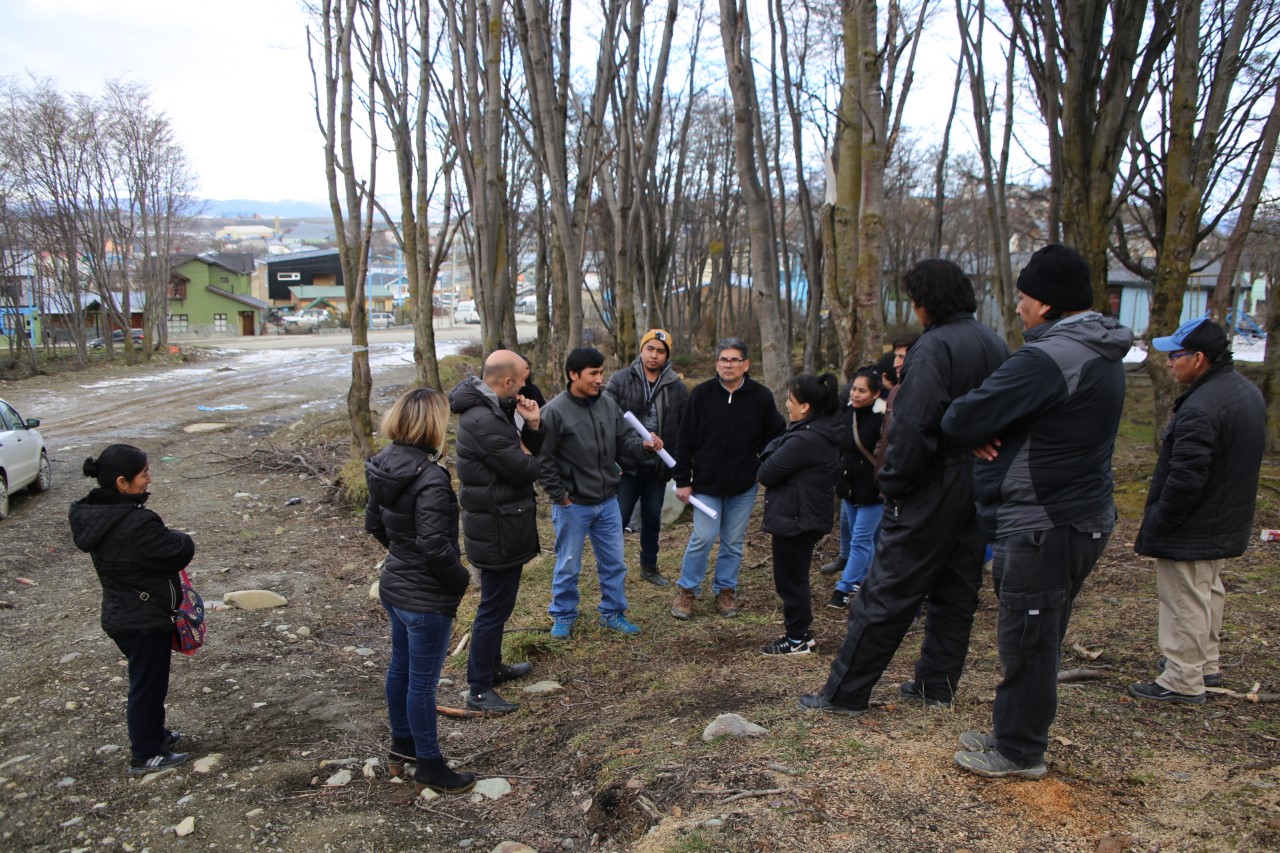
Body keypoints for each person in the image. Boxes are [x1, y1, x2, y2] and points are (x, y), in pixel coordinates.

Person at [940, 244, 1133, 779]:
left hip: (1045, 521)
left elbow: (962, 418)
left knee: (1028, 636)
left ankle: (1020, 751)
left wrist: (985, 428)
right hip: (1075, 514)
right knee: (1039, 631)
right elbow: (1045, 420)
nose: (1018, 307)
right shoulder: (1096, 348)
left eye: (1024, 298)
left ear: (1047, 304)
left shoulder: (1050, 357)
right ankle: (1013, 731)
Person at [799, 259, 1009, 716]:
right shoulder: (994, 342)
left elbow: (914, 425)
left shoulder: (932, 349)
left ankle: (844, 694)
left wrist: (893, 482)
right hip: (977, 484)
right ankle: (937, 686)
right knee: (957, 590)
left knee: (886, 590)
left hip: (931, 485)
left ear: (925, 302)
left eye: (914, 300)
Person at [1129, 317, 1266, 704]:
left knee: (1183, 597)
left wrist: (1162, 520)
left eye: (1176, 355)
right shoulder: (1244, 392)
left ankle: (1181, 678)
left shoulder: (1200, 408)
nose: (1169, 363)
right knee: (1207, 590)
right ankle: (1203, 662)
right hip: (1224, 517)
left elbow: (1186, 478)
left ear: (1199, 358)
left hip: (1195, 522)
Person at [365, 387, 476, 796]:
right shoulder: (429, 476)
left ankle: (404, 745)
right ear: (432, 423)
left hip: (396, 586)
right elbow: (433, 546)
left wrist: (403, 555)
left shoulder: (384, 462)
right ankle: (429, 763)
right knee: (421, 683)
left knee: (401, 669)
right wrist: (459, 580)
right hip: (424, 597)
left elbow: (375, 524)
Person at [70, 444, 196, 776]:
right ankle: (146, 754)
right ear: (122, 483)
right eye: (144, 474)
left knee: (151, 683)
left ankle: (156, 735)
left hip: (125, 613)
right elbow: (176, 550)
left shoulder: (100, 516)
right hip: (141, 620)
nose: (149, 479)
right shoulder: (134, 522)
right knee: (147, 687)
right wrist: (182, 537)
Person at [450, 350, 546, 715]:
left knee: (498, 605)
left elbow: (524, 459)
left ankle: (492, 667)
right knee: (492, 608)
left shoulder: (495, 410)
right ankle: (478, 689)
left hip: (503, 522)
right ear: (507, 382)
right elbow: (525, 470)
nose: (525, 386)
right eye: (522, 379)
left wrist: (531, 427)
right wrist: (527, 450)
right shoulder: (483, 421)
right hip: (495, 528)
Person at [539, 347, 654, 638]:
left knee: (615, 562)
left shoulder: (607, 404)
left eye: (601, 373)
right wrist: (561, 497)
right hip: (572, 505)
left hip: (607, 502)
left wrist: (642, 446)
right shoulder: (553, 412)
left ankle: (612, 613)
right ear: (573, 374)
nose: (599, 379)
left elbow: (624, 441)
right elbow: (543, 460)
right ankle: (563, 616)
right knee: (568, 564)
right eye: (593, 373)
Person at [670, 338, 786, 620]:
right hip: (705, 485)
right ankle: (687, 591)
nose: (728, 365)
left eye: (734, 360)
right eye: (724, 360)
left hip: (743, 486)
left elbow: (776, 434)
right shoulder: (701, 394)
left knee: (733, 541)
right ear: (716, 364)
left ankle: (725, 591)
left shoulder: (760, 396)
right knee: (703, 537)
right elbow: (684, 439)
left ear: (746, 364)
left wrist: (762, 466)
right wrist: (682, 479)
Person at [757, 373, 844, 655]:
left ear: (805, 406)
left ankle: (796, 639)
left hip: (797, 518)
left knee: (790, 579)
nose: (787, 404)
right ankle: (801, 632)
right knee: (794, 576)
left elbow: (766, 472)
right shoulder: (814, 430)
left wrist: (773, 451)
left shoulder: (807, 438)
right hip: (801, 515)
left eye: (791, 400)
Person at [605, 329, 688, 586]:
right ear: (641, 350)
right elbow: (606, 418)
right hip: (627, 466)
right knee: (617, 520)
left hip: (657, 468)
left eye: (660, 351)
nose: (654, 355)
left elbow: (684, 428)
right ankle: (611, 570)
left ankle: (649, 567)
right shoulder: (620, 380)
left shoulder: (677, 388)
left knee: (652, 518)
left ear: (667, 356)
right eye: (650, 349)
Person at [829, 367, 886, 607]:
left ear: (875, 393)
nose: (855, 394)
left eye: (862, 391)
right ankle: (866, 581)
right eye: (854, 389)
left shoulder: (883, 418)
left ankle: (842, 589)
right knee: (863, 541)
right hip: (849, 488)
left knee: (860, 541)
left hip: (873, 491)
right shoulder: (847, 413)